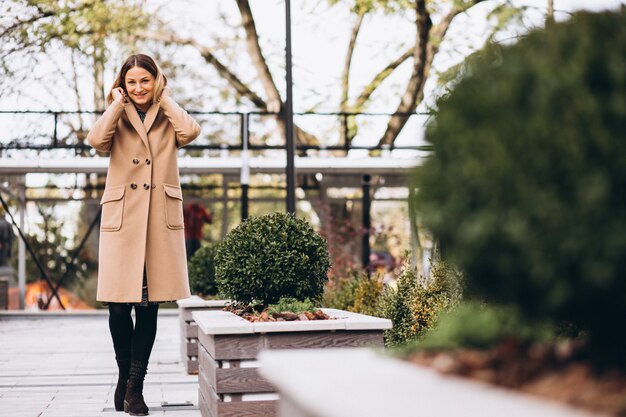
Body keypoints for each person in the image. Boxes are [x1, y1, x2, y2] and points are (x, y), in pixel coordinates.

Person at [87, 53, 200, 416]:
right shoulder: (116, 113)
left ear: (156, 81)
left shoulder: (167, 114)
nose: (139, 88)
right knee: (118, 305)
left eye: (145, 81)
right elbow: (96, 140)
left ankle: (135, 387)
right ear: (123, 84)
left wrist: (164, 97)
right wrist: (117, 104)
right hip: (123, 220)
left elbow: (190, 131)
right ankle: (124, 375)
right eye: (132, 82)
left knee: (148, 307)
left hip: (156, 220)